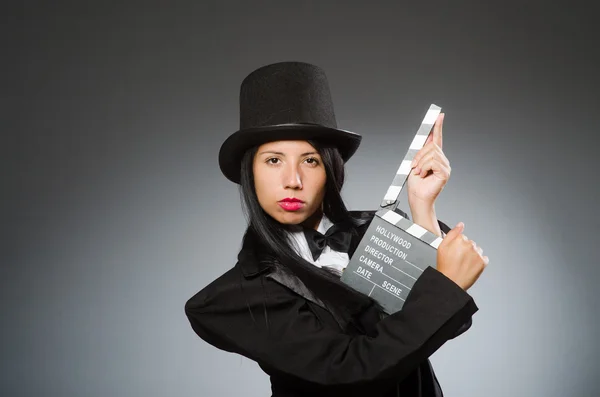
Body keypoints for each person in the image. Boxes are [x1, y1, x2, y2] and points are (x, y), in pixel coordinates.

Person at [184, 61, 488, 397]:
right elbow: (351, 373)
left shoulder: (374, 233)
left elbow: (447, 321)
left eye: (310, 160)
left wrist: (422, 205)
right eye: (273, 160)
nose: (293, 181)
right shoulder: (235, 297)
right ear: (250, 173)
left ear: (330, 169)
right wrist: (446, 283)